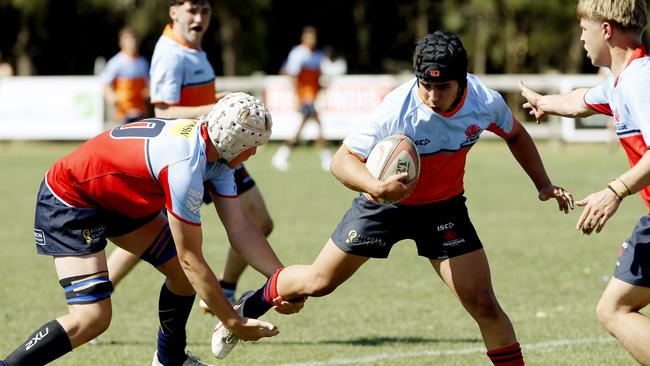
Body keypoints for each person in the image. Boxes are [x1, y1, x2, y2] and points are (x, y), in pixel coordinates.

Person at [212, 30, 575, 365]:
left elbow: (516, 135)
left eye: (443, 87)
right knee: (318, 283)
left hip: (443, 209)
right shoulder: (397, 109)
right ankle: (244, 307)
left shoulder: (484, 102)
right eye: (425, 86)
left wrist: (542, 183)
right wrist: (376, 186)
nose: (432, 96)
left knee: (483, 304)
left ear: (462, 80)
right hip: (382, 204)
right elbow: (341, 161)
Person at [0, 92, 302, 366]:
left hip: (116, 197)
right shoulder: (185, 167)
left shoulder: (216, 155)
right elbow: (190, 258)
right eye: (253, 146)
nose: (254, 154)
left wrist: (281, 281)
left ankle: (169, 360)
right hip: (71, 200)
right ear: (235, 142)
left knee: (183, 279)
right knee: (92, 318)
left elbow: (241, 229)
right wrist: (233, 322)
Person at [107, 0, 274, 309]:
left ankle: (224, 291)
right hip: (187, 154)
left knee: (259, 222)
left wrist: (219, 107)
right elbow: (163, 111)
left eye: (205, 11)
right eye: (191, 11)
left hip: (219, 151)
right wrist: (215, 109)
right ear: (173, 12)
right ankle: (95, 299)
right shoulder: (171, 54)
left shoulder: (192, 48)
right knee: (145, 239)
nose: (199, 18)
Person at [518, 1, 650, 363]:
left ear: (605, 30)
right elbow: (580, 101)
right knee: (614, 309)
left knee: (615, 310)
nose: (580, 37)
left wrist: (615, 191)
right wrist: (544, 100)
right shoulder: (623, 81)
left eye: (584, 28)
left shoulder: (640, 81)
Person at [271, 25, 332, 172]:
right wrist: (297, 98)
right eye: (310, 37)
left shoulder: (318, 55)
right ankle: (326, 159)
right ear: (303, 38)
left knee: (302, 129)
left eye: (314, 37)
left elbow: (317, 78)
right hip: (305, 98)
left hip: (312, 97)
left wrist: (321, 87)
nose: (312, 40)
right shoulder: (298, 54)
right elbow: (292, 76)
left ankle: (281, 155)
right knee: (316, 126)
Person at [99, 27, 150, 124]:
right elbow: (105, 84)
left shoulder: (143, 62)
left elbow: (147, 85)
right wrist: (113, 98)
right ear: (121, 43)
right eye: (128, 40)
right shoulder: (116, 62)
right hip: (123, 113)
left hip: (140, 111)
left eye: (133, 40)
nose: (132, 43)